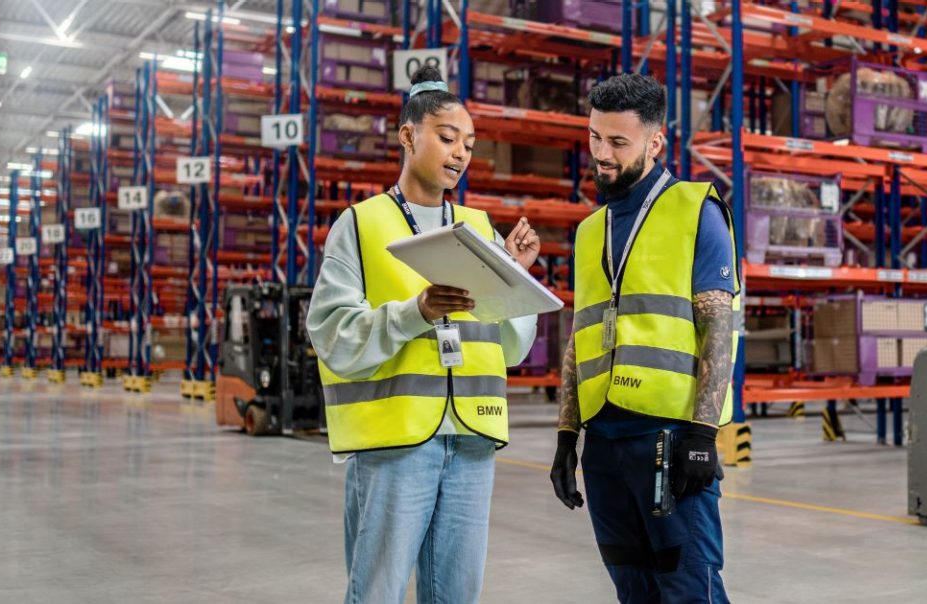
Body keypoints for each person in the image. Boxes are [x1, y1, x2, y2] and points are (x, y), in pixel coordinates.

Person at [306, 65, 544, 604]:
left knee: (457, 592)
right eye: (447, 137)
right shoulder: (362, 225)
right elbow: (332, 334)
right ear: (408, 135)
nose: (460, 153)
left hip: (472, 440)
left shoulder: (481, 230)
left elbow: (510, 346)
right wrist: (415, 312)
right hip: (396, 443)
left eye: (469, 143)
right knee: (378, 590)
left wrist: (517, 274)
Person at [549, 73, 741, 603]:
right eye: (594, 137)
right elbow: (578, 338)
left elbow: (719, 326)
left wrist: (704, 436)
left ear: (655, 143)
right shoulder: (591, 230)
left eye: (617, 142)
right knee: (631, 587)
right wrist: (567, 437)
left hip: (670, 439)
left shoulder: (695, 211)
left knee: (688, 587)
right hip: (605, 443)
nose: (601, 154)